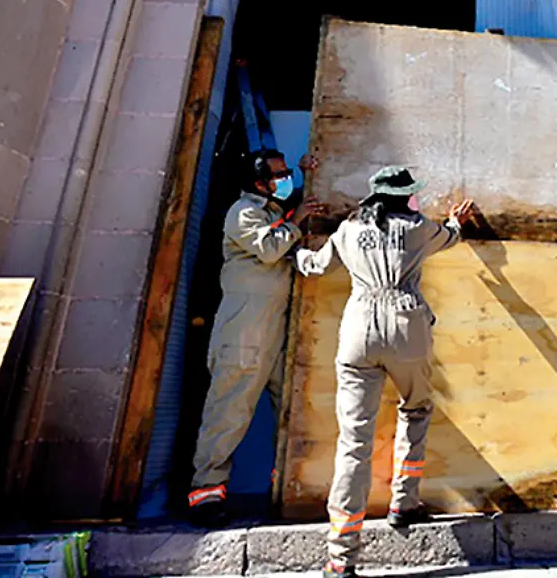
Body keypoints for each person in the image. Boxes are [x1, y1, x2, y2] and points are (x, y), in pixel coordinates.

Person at [294, 166, 476, 578]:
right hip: (405, 325)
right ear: (406, 196)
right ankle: (403, 503)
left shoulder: (348, 230)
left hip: (358, 329)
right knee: (416, 409)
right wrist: (454, 220)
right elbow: (451, 236)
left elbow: (317, 265)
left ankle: (340, 557)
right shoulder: (418, 228)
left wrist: (297, 253)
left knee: (353, 443)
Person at [187, 149, 327, 527]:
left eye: (285, 174)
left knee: (290, 414)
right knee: (228, 412)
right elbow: (269, 247)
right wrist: (297, 219)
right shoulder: (243, 213)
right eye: (278, 175)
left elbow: (288, 214)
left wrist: (303, 177)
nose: (284, 181)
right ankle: (206, 494)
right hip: (243, 333)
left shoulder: (269, 211)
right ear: (256, 180)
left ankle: (285, 490)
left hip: (274, 333)